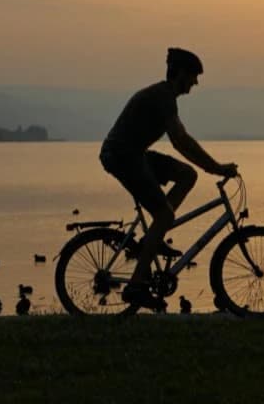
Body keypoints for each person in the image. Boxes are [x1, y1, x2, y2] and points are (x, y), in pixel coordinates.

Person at [100, 47, 238, 310]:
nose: (196, 82)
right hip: (121, 156)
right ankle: (136, 285)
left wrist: (211, 167)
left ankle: (155, 234)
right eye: (194, 76)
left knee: (187, 175)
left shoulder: (165, 97)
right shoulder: (163, 97)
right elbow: (181, 141)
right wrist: (218, 168)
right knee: (165, 215)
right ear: (181, 74)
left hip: (134, 154)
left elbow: (181, 141)